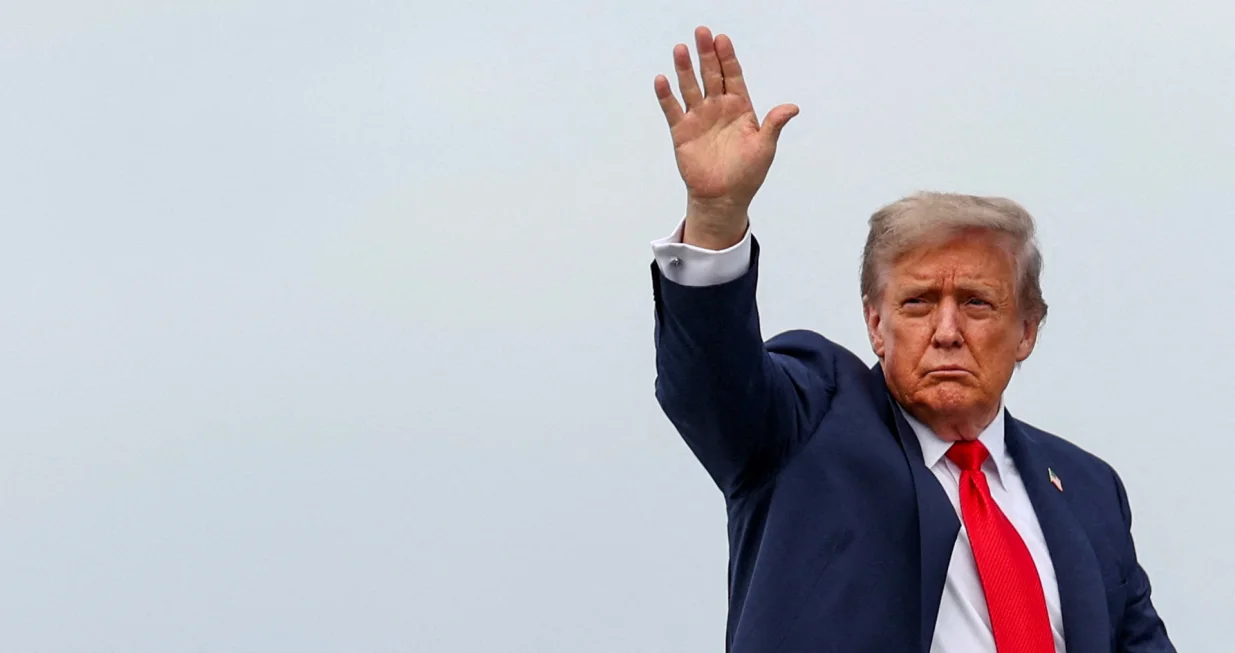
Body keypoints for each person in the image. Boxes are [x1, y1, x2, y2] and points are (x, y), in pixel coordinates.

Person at [648, 25, 1175, 653]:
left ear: (1028, 329)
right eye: (919, 303)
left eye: (977, 303)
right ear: (875, 322)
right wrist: (715, 217)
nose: (946, 331)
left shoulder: (1090, 490)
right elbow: (712, 382)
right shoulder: (808, 421)